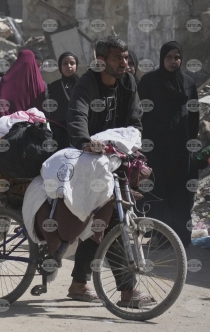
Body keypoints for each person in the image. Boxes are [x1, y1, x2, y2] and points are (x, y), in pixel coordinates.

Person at [66, 36, 147, 306]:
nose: (124, 63)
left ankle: (79, 283)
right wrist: (85, 142)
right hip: (86, 158)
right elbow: (77, 115)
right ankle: (128, 292)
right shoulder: (87, 83)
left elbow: (135, 120)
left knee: (102, 221)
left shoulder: (128, 82)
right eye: (117, 58)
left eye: (125, 57)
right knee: (110, 220)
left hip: (116, 158)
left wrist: (132, 145)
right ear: (101, 61)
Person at [138, 41, 200, 244]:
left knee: (181, 192)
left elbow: (193, 116)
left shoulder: (188, 82)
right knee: (159, 191)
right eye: (169, 57)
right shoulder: (149, 81)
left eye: (177, 57)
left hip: (181, 149)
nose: (173, 61)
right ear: (162, 58)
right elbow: (139, 114)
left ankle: (182, 237)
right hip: (156, 150)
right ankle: (162, 237)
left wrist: (191, 145)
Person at [0, 49, 47, 115]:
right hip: (31, 120)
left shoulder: (6, 80)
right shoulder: (40, 84)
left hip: (10, 120)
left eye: (39, 66)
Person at [45, 52, 79, 150]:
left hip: (83, 129)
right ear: (60, 66)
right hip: (61, 133)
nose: (69, 66)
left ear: (76, 65)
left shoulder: (84, 84)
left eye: (72, 63)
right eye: (65, 63)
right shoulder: (53, 87)